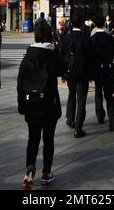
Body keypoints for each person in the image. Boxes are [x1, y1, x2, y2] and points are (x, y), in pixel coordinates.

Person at [17, 26, 64, 190]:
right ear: (50, 37)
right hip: (49, 103)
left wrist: (21, 104)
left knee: (33, 138)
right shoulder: (53, 55)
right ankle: (46, 173)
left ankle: (29, 168)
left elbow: (20, 82)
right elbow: (63, 69)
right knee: (48, 139)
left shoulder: (27, 56)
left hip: (31, 104)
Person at [60, 15, 92, 138]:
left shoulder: (65, 38)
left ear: (71, 25)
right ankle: (78, 129)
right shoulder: (86, 39)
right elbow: (91, 57)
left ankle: (70, 119)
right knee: (81, 100)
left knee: (71, 94)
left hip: (70, 72)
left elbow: (62, 56)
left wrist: (63, 73)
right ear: (82, 24)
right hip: (83, 73)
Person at [91, 14, 114, 131]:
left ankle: (100, 115)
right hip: (109, 68)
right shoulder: (110, 38)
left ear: (94, 24)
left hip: (97, 69)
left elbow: (89, 56)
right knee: (109, 94)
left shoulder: (92, 38)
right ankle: (112, 118)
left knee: (98, 91)